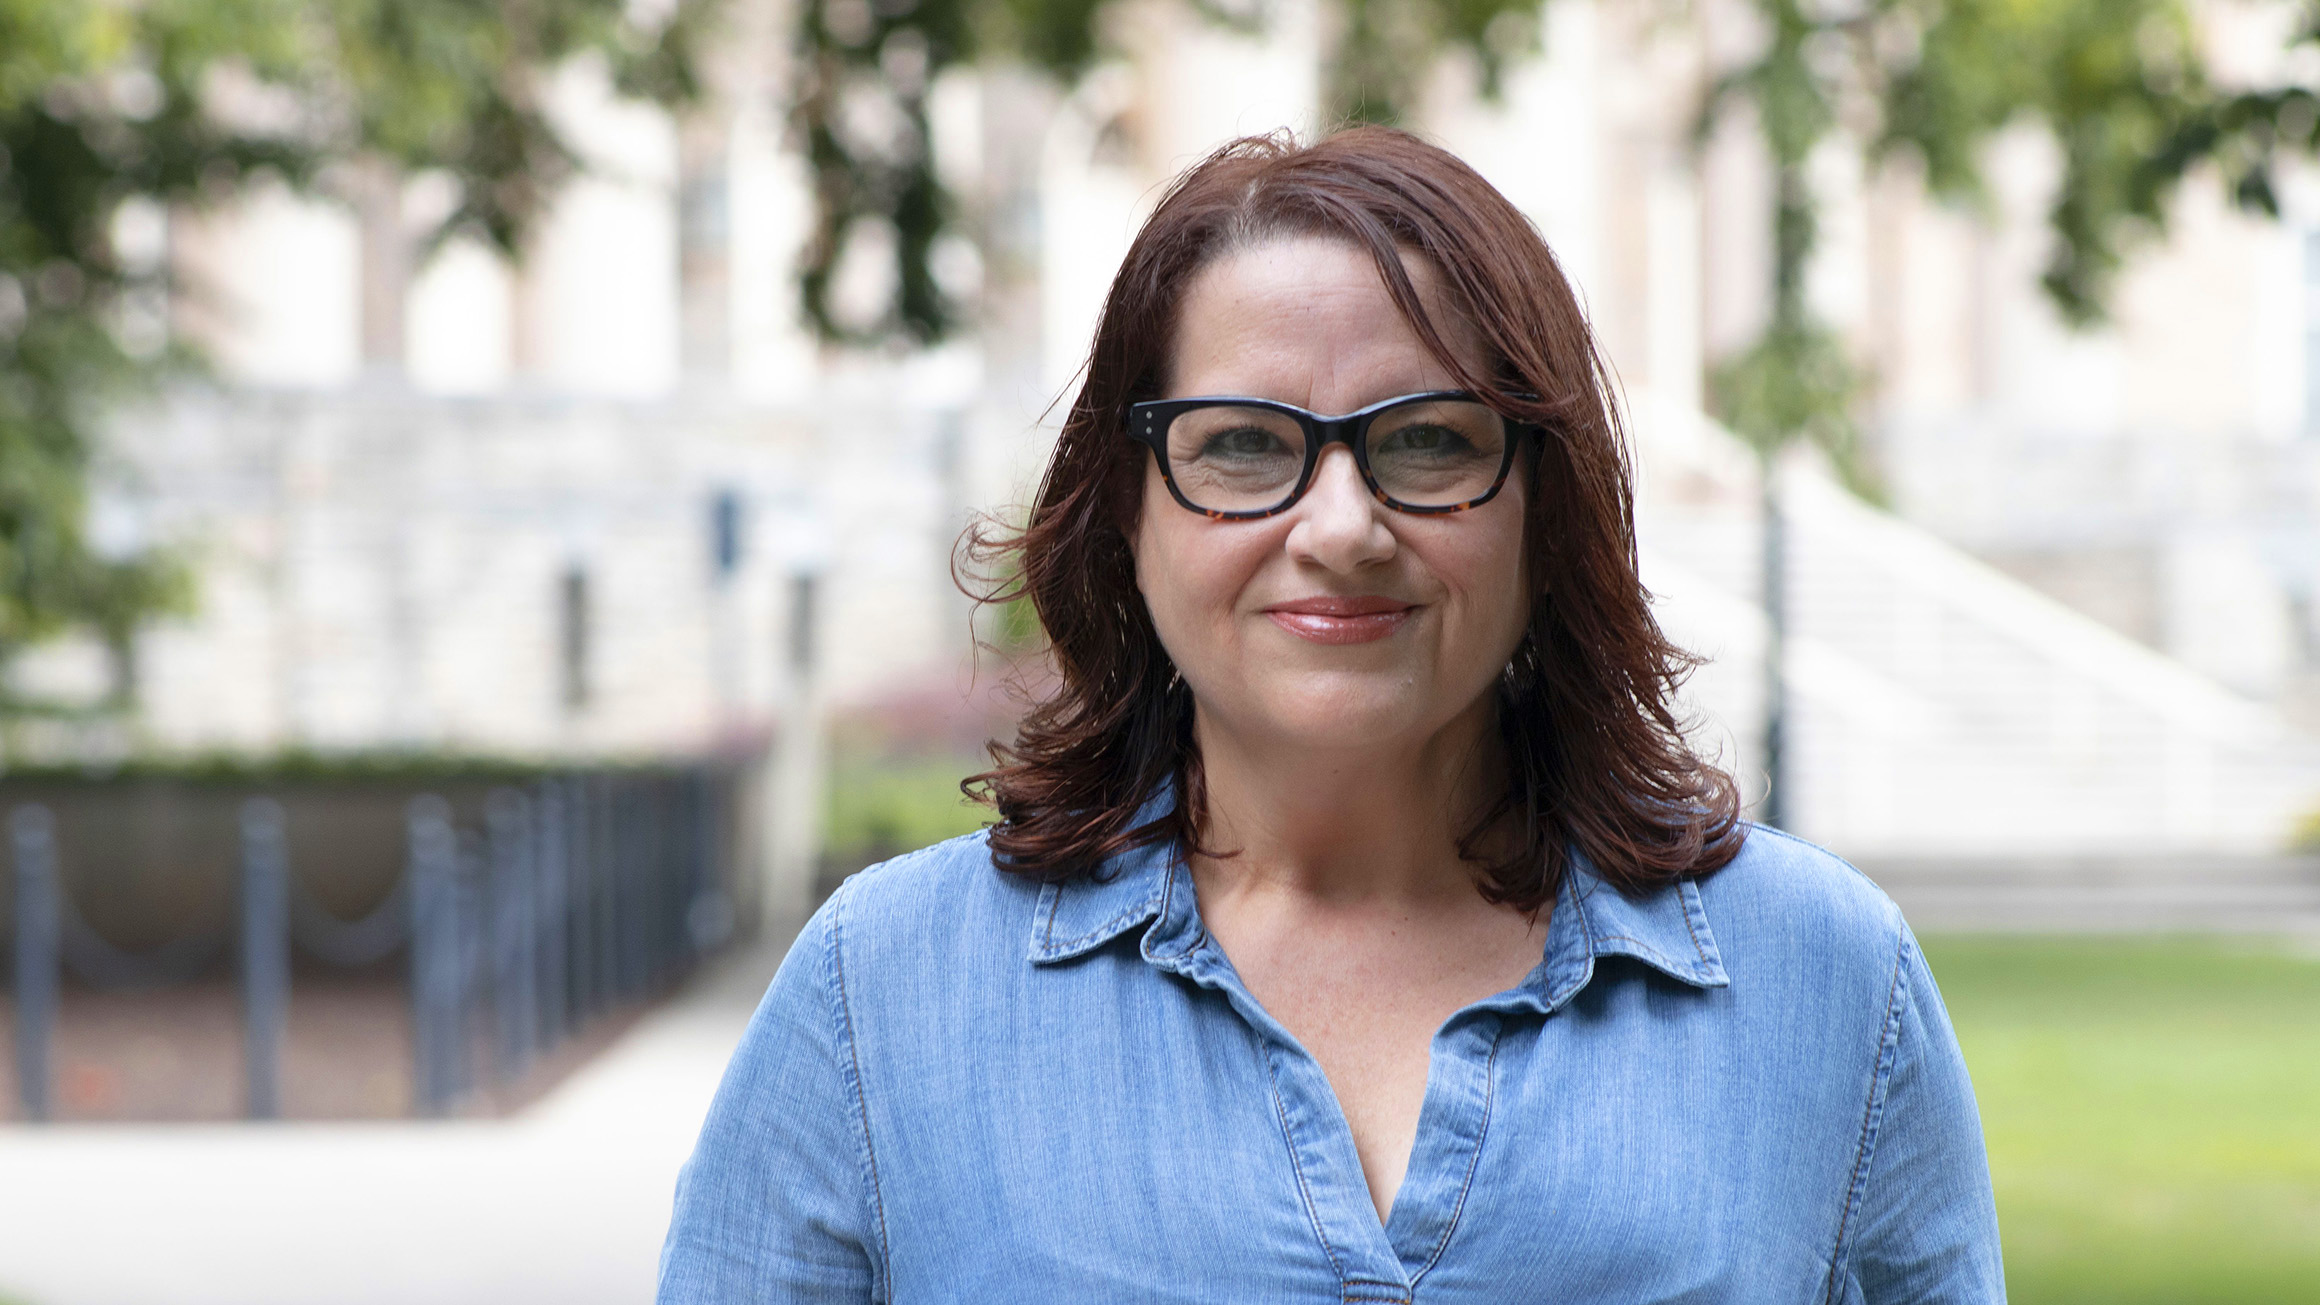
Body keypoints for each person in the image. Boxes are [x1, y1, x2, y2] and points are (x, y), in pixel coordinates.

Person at [658, 127, 2003, 1303]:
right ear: (1128, 514)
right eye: (1243, 444)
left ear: (1547, 505)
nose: (1343, 526)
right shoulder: (882, 997)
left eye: (1428, 440)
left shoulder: (1825, 983)